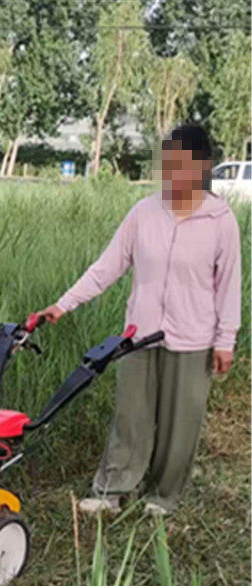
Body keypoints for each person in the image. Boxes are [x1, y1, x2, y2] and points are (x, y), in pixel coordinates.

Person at [37, 124, 241, 516]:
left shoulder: (220, 220)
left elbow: (228, 286)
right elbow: (106, 268)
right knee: (130, 416)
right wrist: (64, 304)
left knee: (180, 424)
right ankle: (112, 488)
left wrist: (224, 340)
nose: (169, 174)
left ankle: (164, 495)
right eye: (166, 165)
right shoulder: (144, 213)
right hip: (140, 335)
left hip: (193, 338)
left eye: (179, 166)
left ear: (202, 166)